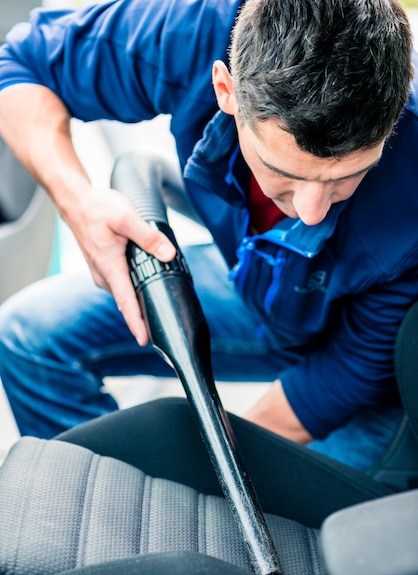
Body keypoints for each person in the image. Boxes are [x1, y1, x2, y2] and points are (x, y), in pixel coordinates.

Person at [0, 0, 416, 471]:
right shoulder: (190, 32)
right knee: (27, 338)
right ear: (226, 90)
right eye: (283, 173)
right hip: (252, 282)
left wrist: (206, 471)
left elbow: (347, 376)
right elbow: (22, 65)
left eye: (349, 175)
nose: (312, 212)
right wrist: (78, 203)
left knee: (306, 525)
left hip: (372, 369)